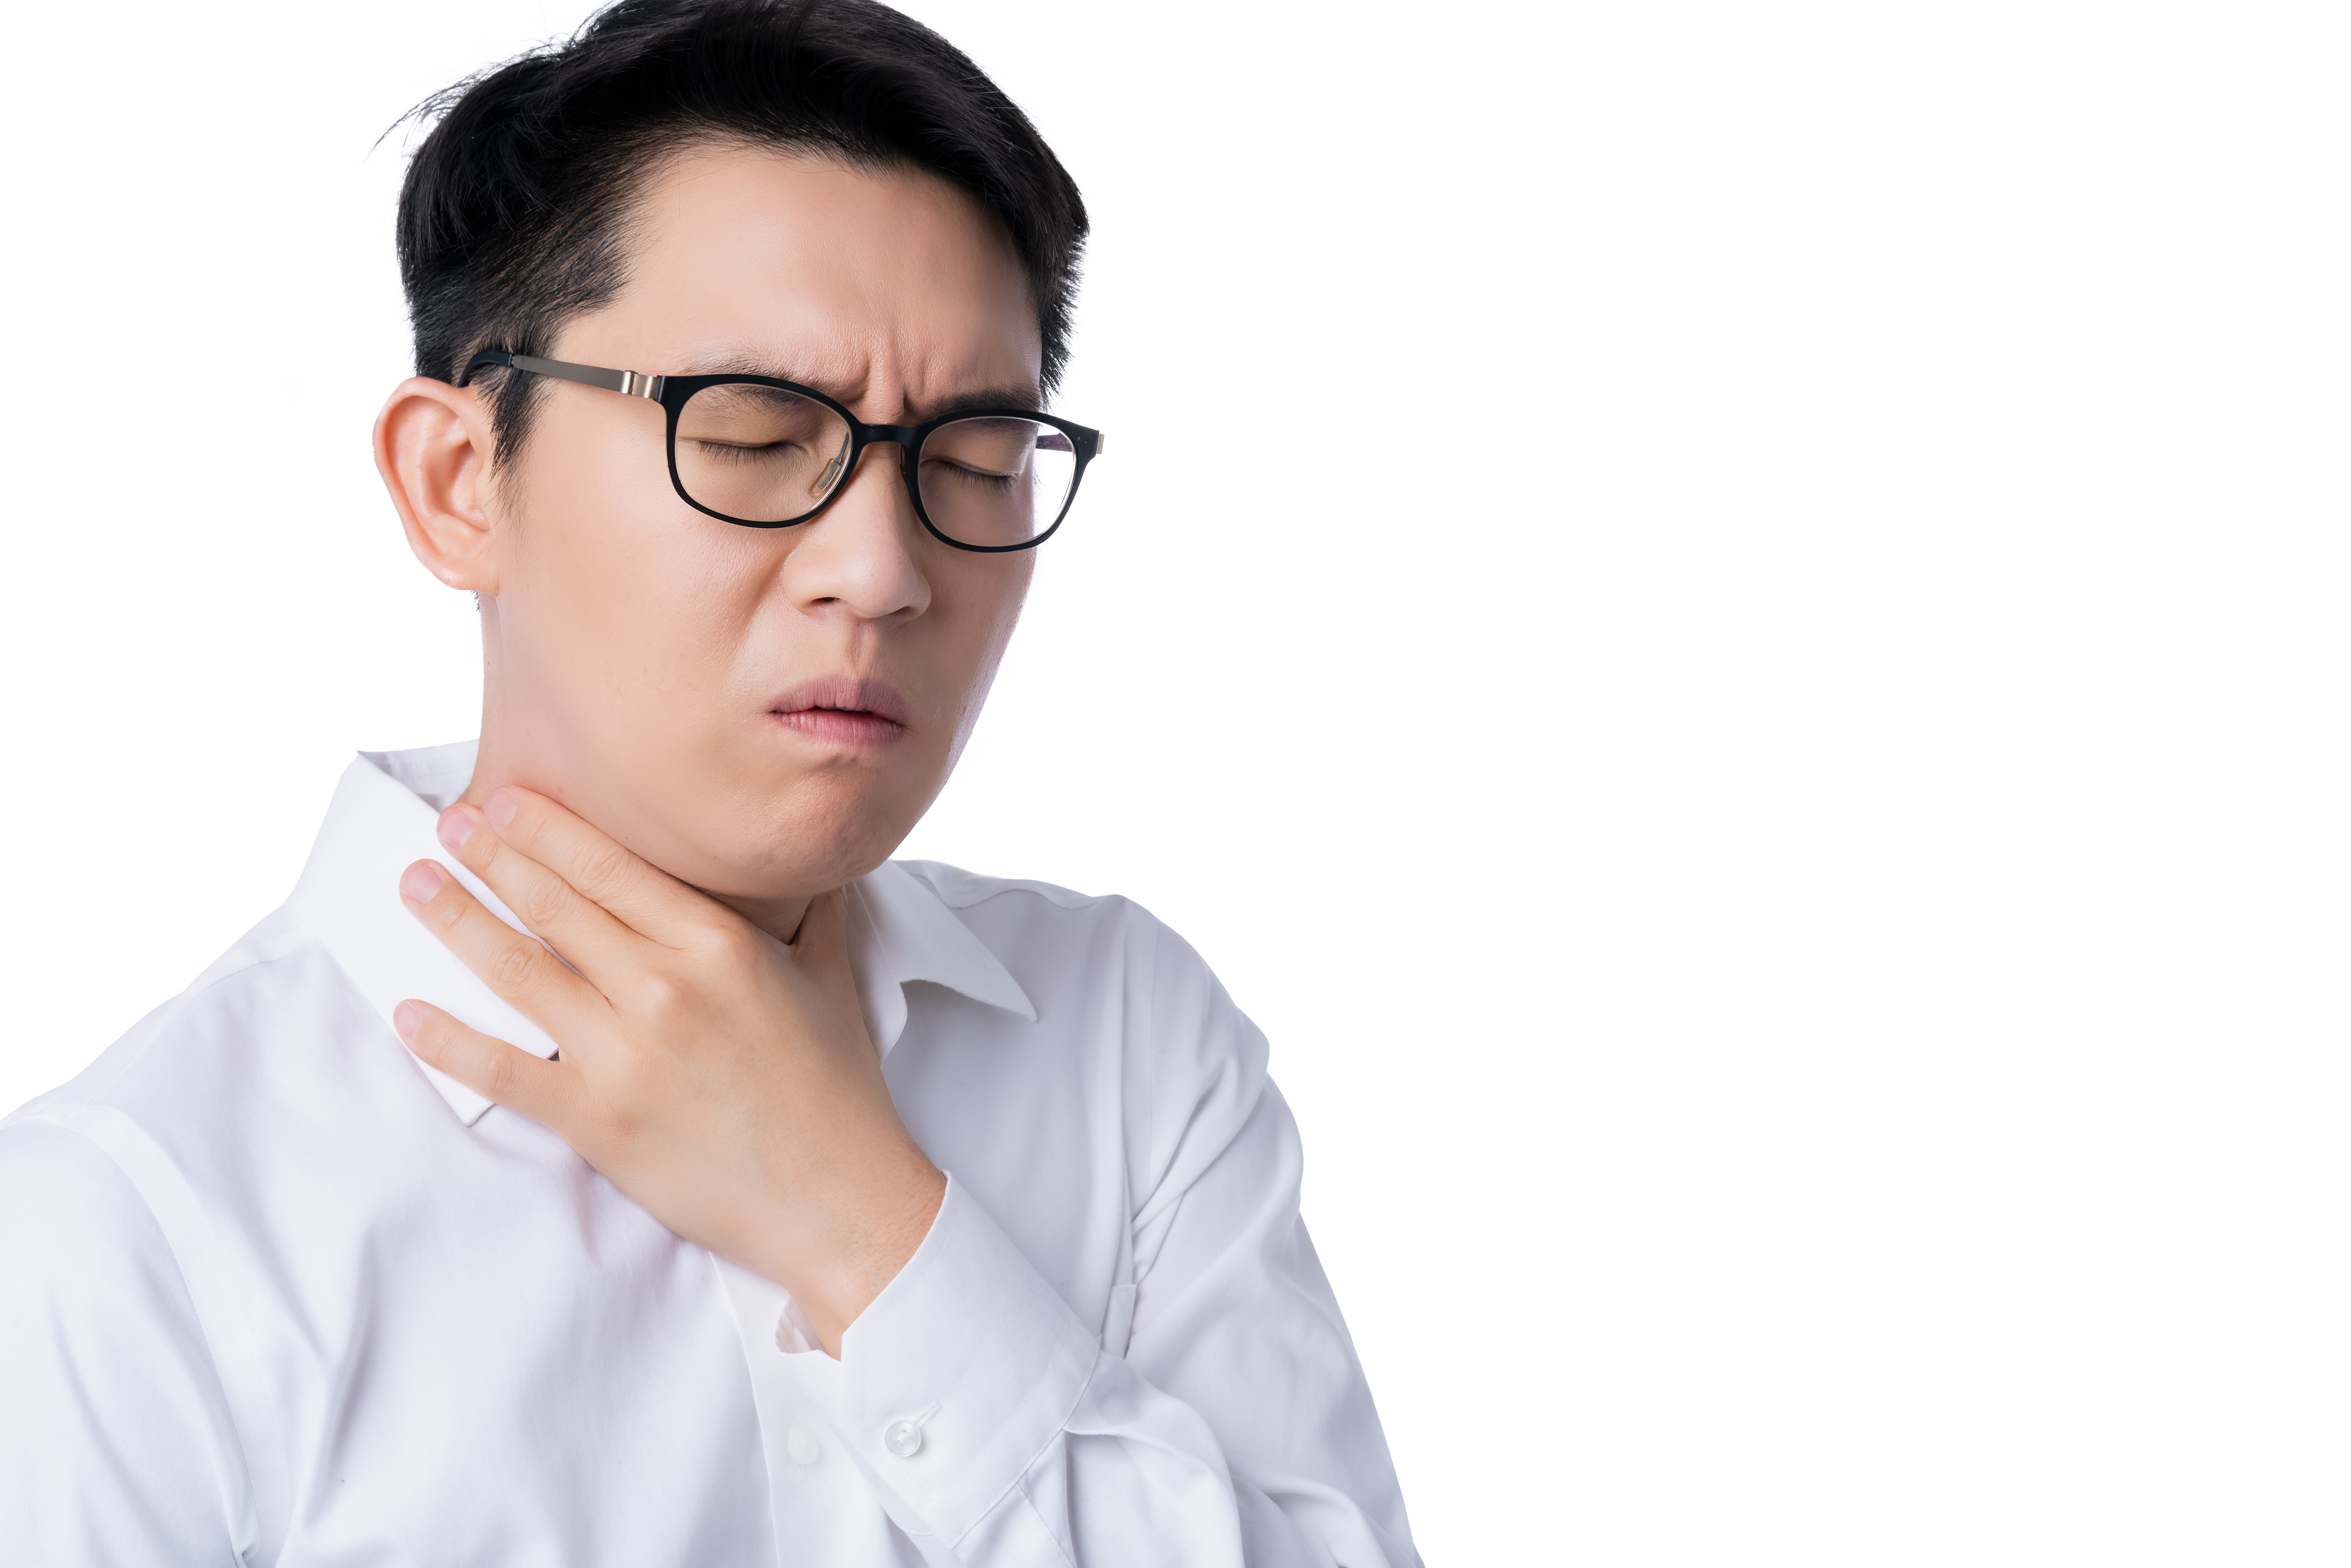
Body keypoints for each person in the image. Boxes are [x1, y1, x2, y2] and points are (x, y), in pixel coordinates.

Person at [0, 1, 1415, 1563]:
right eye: (752, 433)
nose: (882, 571)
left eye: (972, 455)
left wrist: (862, 1222)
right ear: (459, 483)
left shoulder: (1131, 1051)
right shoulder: (124, 1235)